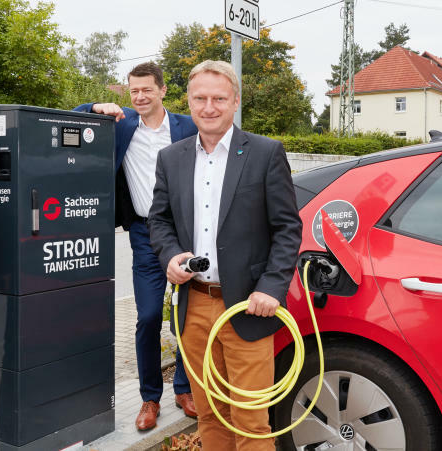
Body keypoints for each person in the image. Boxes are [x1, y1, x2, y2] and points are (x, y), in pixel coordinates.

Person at [148, 60, 302, 450]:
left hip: (249, 308)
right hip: (195, 306)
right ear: (189, 101)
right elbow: (159, 221)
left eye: (219, 98)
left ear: (235, 102)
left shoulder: (266, 153)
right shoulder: (171, 157)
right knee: (210, 415)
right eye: (200, 98)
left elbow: (287, 228)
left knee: (250, 421)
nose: (209, 107)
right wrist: (170, 257)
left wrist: (271, 287)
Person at [74, 61, 198, 431]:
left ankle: (185, 389)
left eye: (147, 89)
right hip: (144, 234)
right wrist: (96, 108)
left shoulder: (186, 127)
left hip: (188, 234)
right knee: (146, 318)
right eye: (134, 91)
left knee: (186, 318)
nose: (140, 97)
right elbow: (72, 119)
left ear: (162, 90)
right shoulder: (122, 125)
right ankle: (149, 398)